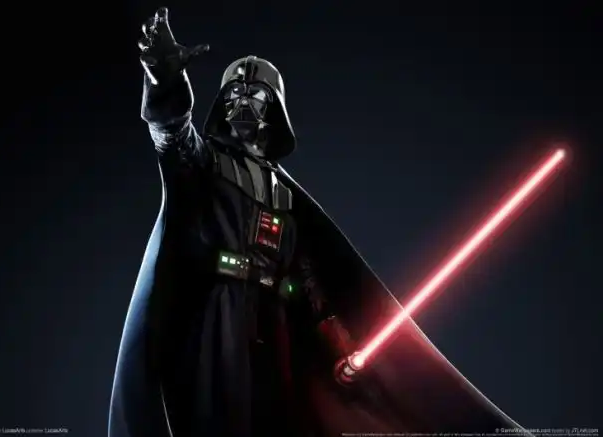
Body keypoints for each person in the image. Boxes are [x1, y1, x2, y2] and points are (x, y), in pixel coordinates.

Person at [108, 7, 529, 437]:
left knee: (282, 419)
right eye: (233, 94)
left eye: (253, 95)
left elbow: (308, 276)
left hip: (275, 322)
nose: (241, 102)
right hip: (223, 315)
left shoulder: (285, 194)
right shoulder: (206, 166)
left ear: (273, 107)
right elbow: (172, 136)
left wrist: (335, 338)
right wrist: (164, 78)